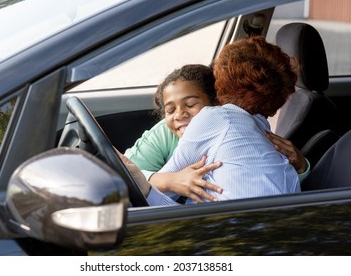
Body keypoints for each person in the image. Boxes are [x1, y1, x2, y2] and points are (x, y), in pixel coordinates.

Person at [123, 36, 302, 206]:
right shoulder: (268, 139)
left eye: (191, 104)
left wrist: (141, 178)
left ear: (219, 86)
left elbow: (150, 194)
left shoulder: (216, 118)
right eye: (170, 110)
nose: (179, 114)